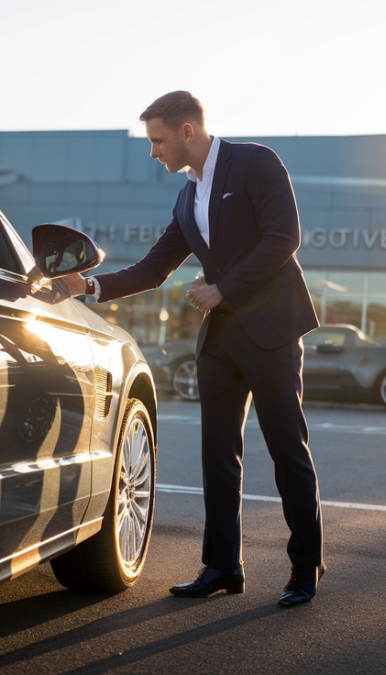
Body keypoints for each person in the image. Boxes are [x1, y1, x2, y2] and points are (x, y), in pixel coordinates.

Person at [58, 91, 325, 607]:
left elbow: (283, 237)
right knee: (218, 455)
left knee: (287, 450)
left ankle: (304, 566)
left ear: (187, 131)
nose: (153, 152)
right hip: (221, 340)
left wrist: (222, 289)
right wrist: (84, 287)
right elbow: (152, 270)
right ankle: (223, 565)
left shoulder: (255, 162)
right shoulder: (187, 197)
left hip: (271, 331)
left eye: (157, 140)